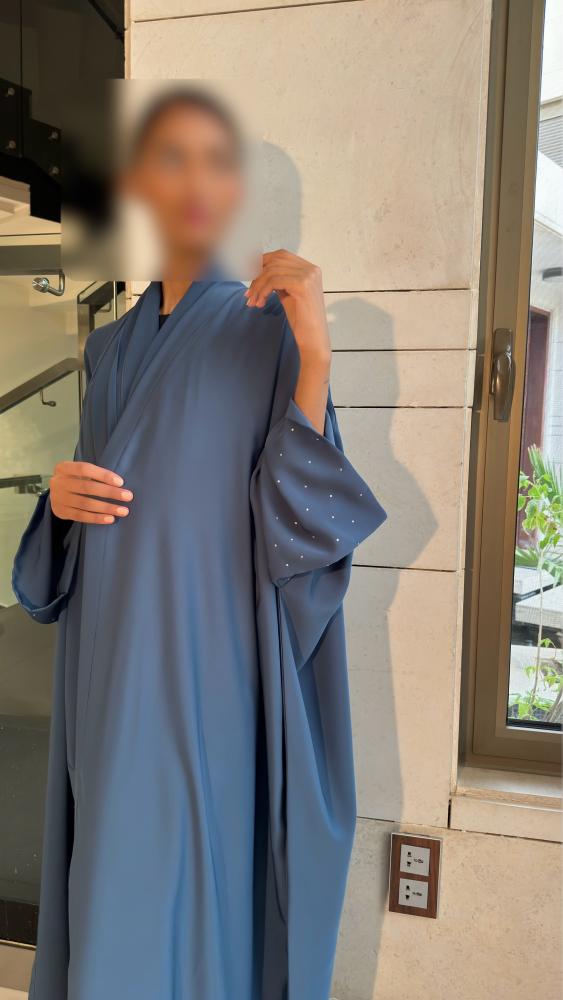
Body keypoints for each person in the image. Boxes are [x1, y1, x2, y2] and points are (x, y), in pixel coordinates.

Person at [13, 88, 387, 1000]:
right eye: (169, 159)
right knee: (109, 882)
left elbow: (301, 530)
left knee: (193, 891)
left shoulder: (269, 332)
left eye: (216, 161)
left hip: (207, 669)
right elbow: (85, 516)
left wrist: (317, 358)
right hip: (106, 668)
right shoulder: (107, 349)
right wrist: (58, 501)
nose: (194, 182)